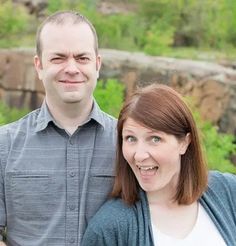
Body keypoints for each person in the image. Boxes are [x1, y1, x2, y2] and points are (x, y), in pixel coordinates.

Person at [0, 10, 117, 245]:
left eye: (82, 58)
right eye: (58, 58)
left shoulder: (128, 142)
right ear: (39, 65)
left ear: (97, 64)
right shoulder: (4, 145)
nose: (71, 68)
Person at [81, 84, 236, 246]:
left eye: (155, 139)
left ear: (184, 142)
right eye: (130, 138)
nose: (139, 155)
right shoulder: (109, 228)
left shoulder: (228, 191)